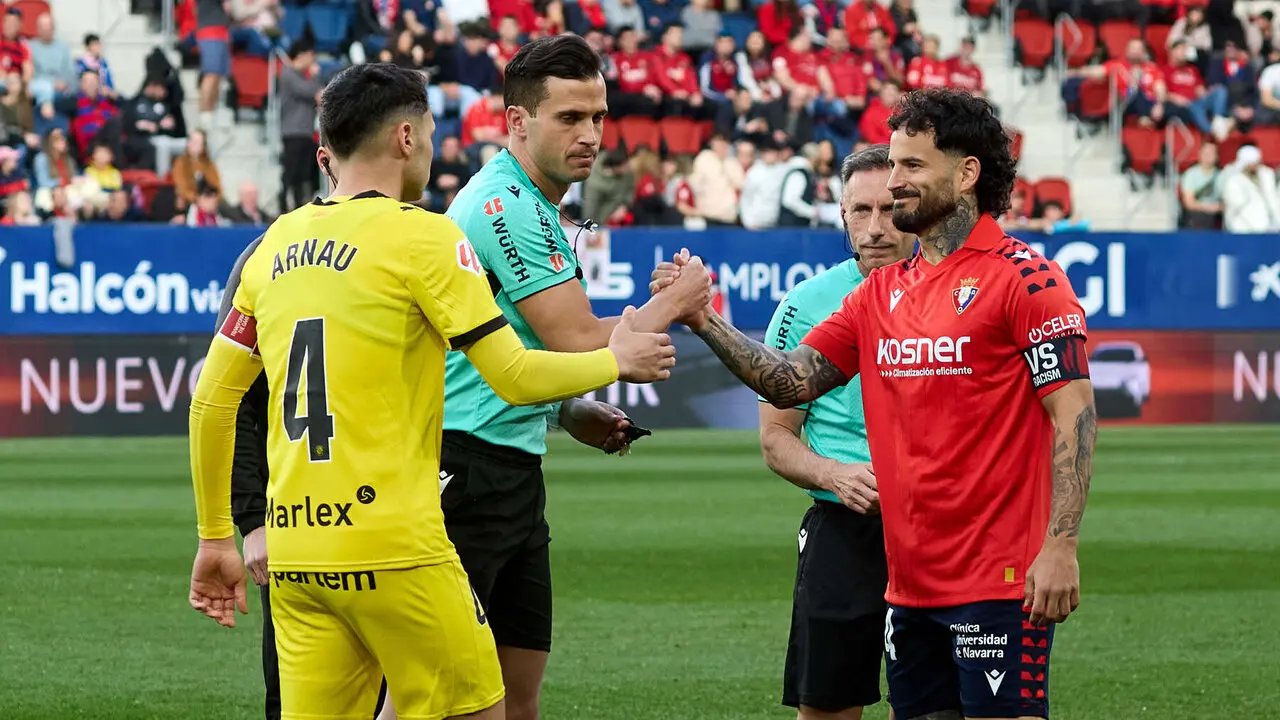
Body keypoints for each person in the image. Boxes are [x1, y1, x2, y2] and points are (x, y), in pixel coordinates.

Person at [185, 61, 679, 720]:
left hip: (299, 555)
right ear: (407, 139)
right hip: (397, 548)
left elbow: (211, 401)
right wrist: (611, 360)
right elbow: (512, 372)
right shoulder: (427, 238)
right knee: (480, 712)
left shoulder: (274, 246)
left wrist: (217, 537)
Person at [654, 88, 1097, 720]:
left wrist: (1061, 546)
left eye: (912, 166)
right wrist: (705, 320)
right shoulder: (881, 292)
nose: (893, 185)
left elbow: (1075, 415)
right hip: (908, 587)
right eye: (892, 166)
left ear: (967, 173)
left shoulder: (1027, 279)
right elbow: (789, 383)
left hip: (997, 584)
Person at [376, 35, 712, 720]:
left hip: (512, 469)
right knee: (433, 697)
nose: (591, 135)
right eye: (569, 118)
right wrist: (679, 301)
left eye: (597, 115)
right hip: (462, 472)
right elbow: (578, 337)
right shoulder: (506, 207)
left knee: (518, 695)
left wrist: (565, 412)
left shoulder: (532, 202)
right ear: (518, 122)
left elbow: (514, 345)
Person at [763, 144, 913, 720]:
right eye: (859, 211)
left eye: (890, 208)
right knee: (826, 707)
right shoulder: (805, 305)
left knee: (936, 705)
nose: (875, 228)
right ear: (842, 214)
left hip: (937, 526)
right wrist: (834, 474)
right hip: (842, 529)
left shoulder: (956, 295)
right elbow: (776, 436)